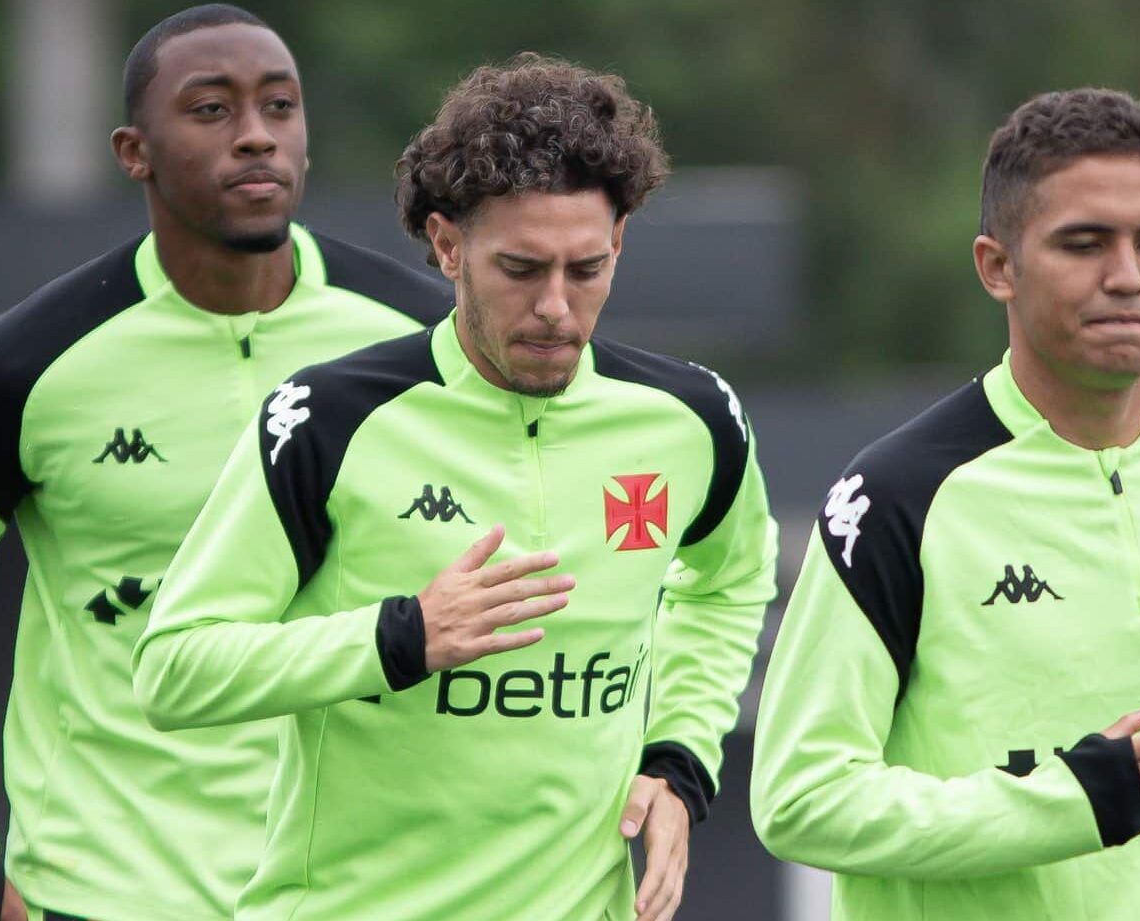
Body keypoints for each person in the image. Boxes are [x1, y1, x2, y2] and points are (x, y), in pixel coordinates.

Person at [132, 52, 778, 921]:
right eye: (519, 269)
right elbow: (173, 670)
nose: (556, 306)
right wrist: (401, 637)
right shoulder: (328, 419)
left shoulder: (692, 419)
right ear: (447, 245)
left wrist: (678, 760)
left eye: (585, 269)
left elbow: (731, 579)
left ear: (618, 242)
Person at [0, 5, 450, 919]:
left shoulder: (428, 339)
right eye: (211, 110)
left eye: (280, 107)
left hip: (363, 889)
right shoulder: (20, 363)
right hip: (102, 891)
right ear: (134, 151)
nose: (256, 136)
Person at [751, 88, 1140, 920]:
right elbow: (800, 796)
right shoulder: (900, 496)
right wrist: (1062, 803)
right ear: (998, 266)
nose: (1128, 277)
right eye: (1084, 244)